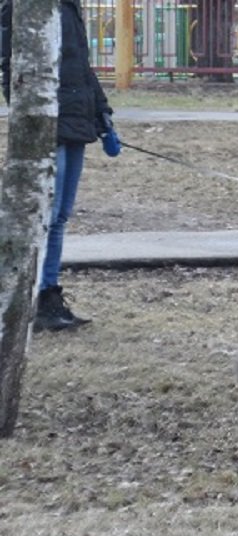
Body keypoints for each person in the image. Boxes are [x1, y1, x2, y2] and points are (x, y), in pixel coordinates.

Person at [1, 0, 117, 331]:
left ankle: (48, 295)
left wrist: (102, 114)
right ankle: (31, 298)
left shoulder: (69, 6)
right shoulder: (23, 6)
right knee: (46, 217)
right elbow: (11, 67)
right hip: (47, 122)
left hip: (76, 121)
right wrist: (33, 119)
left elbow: (82, 68)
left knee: (61, 216)